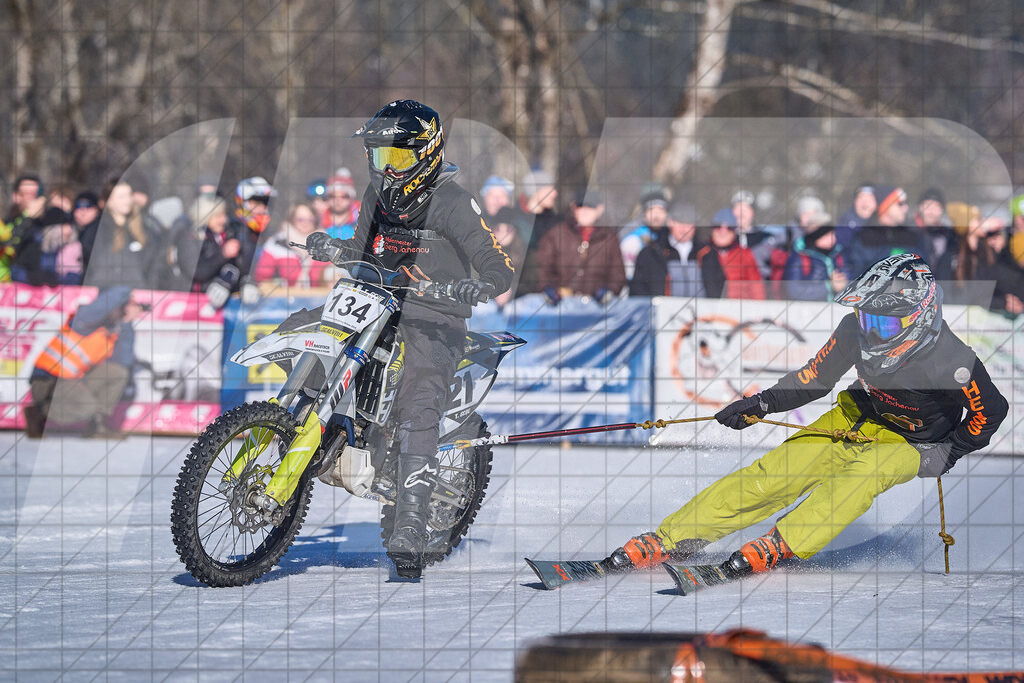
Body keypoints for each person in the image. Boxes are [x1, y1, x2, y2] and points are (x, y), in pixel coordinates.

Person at [598, 254, 1007, 580]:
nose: (870, 329)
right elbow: (815, 379)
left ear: (917, 316)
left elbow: (990, 411)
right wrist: (761, 404)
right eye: (867, 317)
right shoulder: (853, 332)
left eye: (881, 321)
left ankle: (782, 543)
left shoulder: (951, 359)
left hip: (913, 443)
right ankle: (671, 538)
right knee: (775, 473)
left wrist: (948, 453)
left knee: (861, 477)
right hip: (857, 416)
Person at [275, 100, 515, 577]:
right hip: (373, 304)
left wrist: (481, 283)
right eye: (379, 157)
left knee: (420, 403)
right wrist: (333, 247)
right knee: (293, 329)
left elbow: (496, 261)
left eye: (397, 159)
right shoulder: (376, 194)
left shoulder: (453, 201)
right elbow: (363, 251)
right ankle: (294, 424)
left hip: (434, 317)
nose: (386, 169)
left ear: (426, 153)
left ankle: (410, 522)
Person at [24, 287, 145, 439]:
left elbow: (124, 361)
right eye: (124, 305)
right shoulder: (84, 319)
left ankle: (97, 427)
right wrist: (127, 292)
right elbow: (102, 305)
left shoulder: (110, 334)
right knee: (88, 409)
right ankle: (38, 412)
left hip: (70, 382)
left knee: (117, 373)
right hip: (47, 382)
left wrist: (127, 322)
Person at [532, 190, 626, 304]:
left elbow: (617, 274)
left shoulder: (609, 238)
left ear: (600, 209)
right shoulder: (556, 235)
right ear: (573, 208)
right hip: (561, 307)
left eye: (590, 206)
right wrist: (547, 289)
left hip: (597, 308)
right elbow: (542, 268)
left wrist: (609, 291)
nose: (585, 211)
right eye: (580, 206)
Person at [85, 179, 163, 289]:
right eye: (121, 197)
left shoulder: (145, 228)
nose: (127, 200)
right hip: (105, 295)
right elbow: (94, 266)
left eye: (129, 195)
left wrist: (148, 289)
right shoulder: (96, 230)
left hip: (138, 295)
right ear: (109, 201)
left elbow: (153, 265)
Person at [843, 185, 922, 278]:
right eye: (900, 204)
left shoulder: (913, 236)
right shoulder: (863, 239)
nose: (906, 208)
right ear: (886, 207)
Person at [253, 202, 332, 289]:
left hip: (319, 299)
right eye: (300, 219)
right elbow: (262, 278)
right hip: (284, 299)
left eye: (310, 219)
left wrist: (333, 277)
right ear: (292, 219)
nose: (305, 223)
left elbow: (334, 271)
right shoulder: (277, 244)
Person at [629, 202, 702, 297]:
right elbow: (638, 291)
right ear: (670, 222)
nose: (684, 229)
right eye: (679, 223)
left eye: (688, 224)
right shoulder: (651, 253)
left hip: (703, 311)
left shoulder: (707, 254)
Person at [695, 209, 765, 300]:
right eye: (718, 226)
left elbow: (756, 287)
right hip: (711, 307)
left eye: (729, 228)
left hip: (739, 307)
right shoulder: (702, 252)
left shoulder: (744, 254)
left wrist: (758, 309)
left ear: (734, 231)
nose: (723, 232)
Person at [783, 209, 850, 301]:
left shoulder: (838, 255)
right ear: (816, 237)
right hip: (808, 312)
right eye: (827, 235)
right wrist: (829, 286)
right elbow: (794, 290)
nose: (833, 238)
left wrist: (844, 285)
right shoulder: (800, 258)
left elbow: (850, 278)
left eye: (833, 233)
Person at [231, 176, 277, 304]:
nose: (262, 208)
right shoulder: (232, 230)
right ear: (243, 202)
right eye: (256, 203)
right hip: (236, 300)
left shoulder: (268, 233)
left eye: (265, 203)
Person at [619, 188, 669, 282]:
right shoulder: (632, 237)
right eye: (651, 210)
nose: (656, 215)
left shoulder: (670, 235)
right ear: (644, 213)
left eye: (660, 210)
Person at [913, 188, 958, 283]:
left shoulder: (949, 236)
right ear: (919, 207)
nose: (931, 212)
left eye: (935, 207)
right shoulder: (907, 232)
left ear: (942, 210)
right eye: (927, 206)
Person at [836, 184, 876, 248]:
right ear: (854, 201)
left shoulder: (886, 224)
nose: (865, 203)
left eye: (870, 199)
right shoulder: (845, 224)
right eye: (861, 198)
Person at [322, 171, 360, 240]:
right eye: (333, 196)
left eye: (344, 196)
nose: (338, 200)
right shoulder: (317, 219)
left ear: (351, 198)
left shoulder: (362, 218)